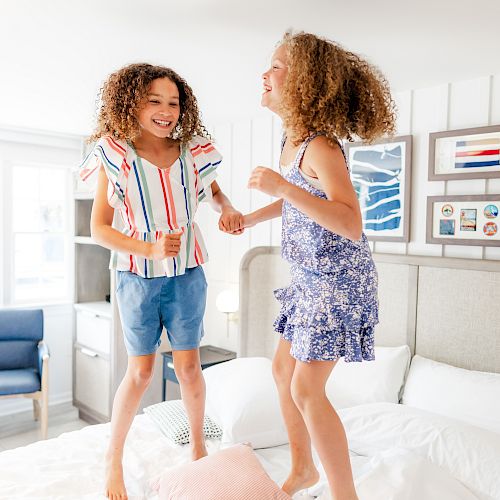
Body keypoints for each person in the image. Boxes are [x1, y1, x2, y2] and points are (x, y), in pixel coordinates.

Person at [242, 32, 396, 500]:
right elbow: (304, 199)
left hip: (339, 282)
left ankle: (344, 495)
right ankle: (304, 468)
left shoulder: (322, 147)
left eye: (275, 66)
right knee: (281, 372)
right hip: (309, 280)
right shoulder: (293, 140)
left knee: (307, 389)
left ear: (305, 79)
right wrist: (251, 217)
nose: (264, 74)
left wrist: (283, 190)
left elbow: (350, 222)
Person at [79, 63, 242, 500]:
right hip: (136, 275)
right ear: (131, 103)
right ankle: (112, 457)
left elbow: (214, 192)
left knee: (189, 368)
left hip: (188, 271)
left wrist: (225, 207)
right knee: (141, 371)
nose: (166, 111)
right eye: (154, 101)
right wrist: (148, 248)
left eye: (173, 102)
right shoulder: (114, 154)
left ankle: (199, 450)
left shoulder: (194, 150)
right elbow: (99, 229)